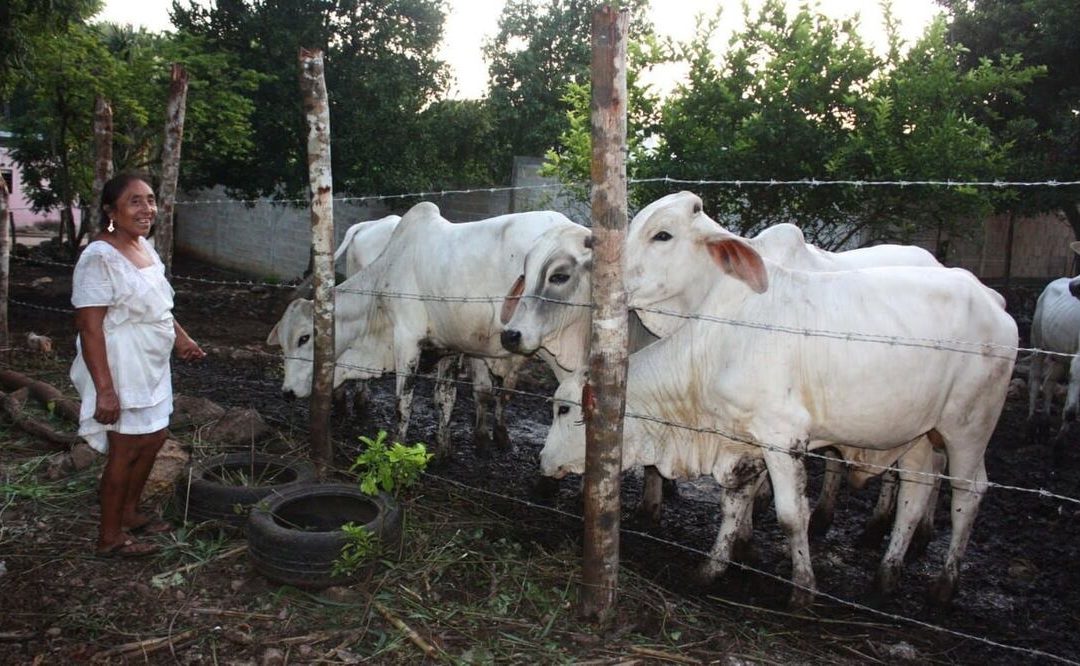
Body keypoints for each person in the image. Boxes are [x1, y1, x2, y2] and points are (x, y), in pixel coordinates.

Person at [70, 172, 205, 558]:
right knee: (126, 447)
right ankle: (109, 538)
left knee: (155, 438)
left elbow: (160, 305)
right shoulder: (99, 257)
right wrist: (106, 390)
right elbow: (90, 326)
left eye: (150, 200)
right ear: (111, 211)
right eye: (134, 201)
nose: (146, 209)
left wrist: (181, 337)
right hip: (121, 362)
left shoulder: (144, 246)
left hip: (152, 362)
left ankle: (128, 513)